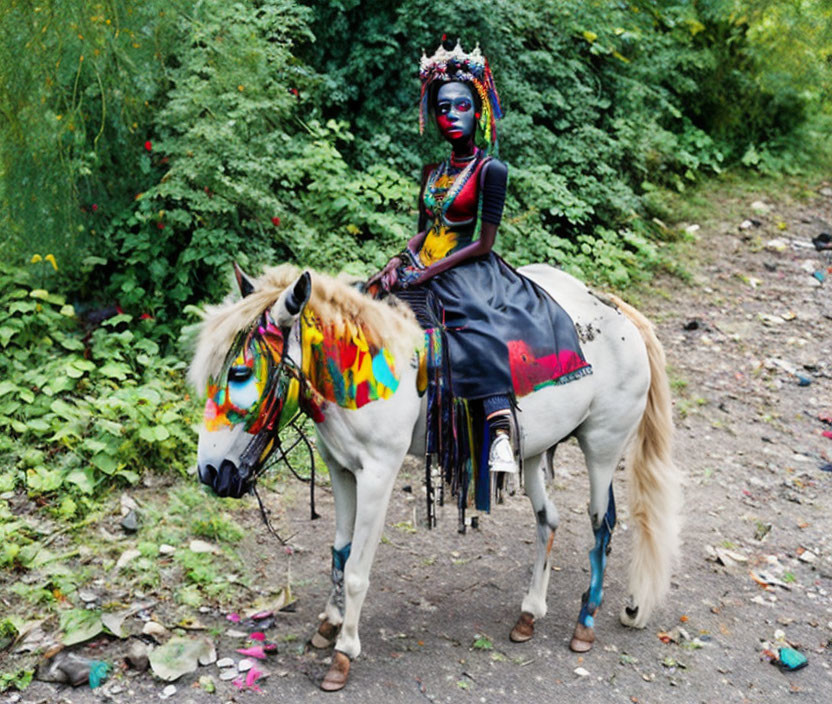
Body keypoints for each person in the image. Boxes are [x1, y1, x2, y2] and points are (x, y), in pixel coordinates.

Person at [368, 40, 591, 501]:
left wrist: (428, 273)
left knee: (477, 333)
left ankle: (497, 425)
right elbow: (424, 231)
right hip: (424, 262)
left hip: (467, 265)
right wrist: (399, 260)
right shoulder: (432, 171)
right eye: (443, 106)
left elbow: (482, 241)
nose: (451, 115)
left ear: (480, 110)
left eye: (462, 105)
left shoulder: (492, 170)